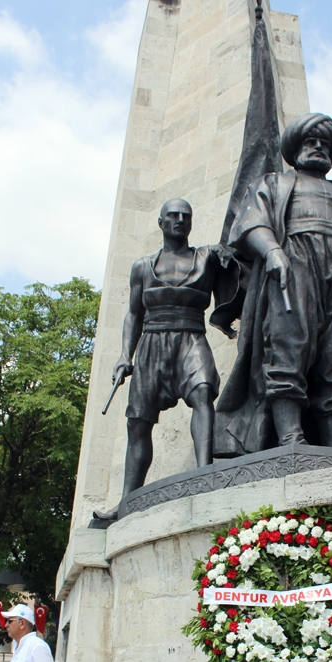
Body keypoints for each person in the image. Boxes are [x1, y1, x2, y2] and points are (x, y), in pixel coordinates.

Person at [214, 112, 332, 456]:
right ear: (295, 149)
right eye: (310, 142)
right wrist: (272, 252)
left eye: (324, 145)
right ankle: (290, 436)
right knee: (288, 348)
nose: (317, 149)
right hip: (292, 269)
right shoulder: (274, 184)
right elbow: (252, 223)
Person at [94, 198, 239, 520]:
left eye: (185, 216)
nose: (179, 220)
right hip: (152, 343)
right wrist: (122, 356)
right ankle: (126, 501)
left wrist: (228, 254)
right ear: (160, 223)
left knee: (203, 393)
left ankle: (205, 475)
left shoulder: (207, 258)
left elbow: (237, 270)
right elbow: (133, 313)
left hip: (191, 336)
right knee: (138, 422)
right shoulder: (142, 266)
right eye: (172, 216)